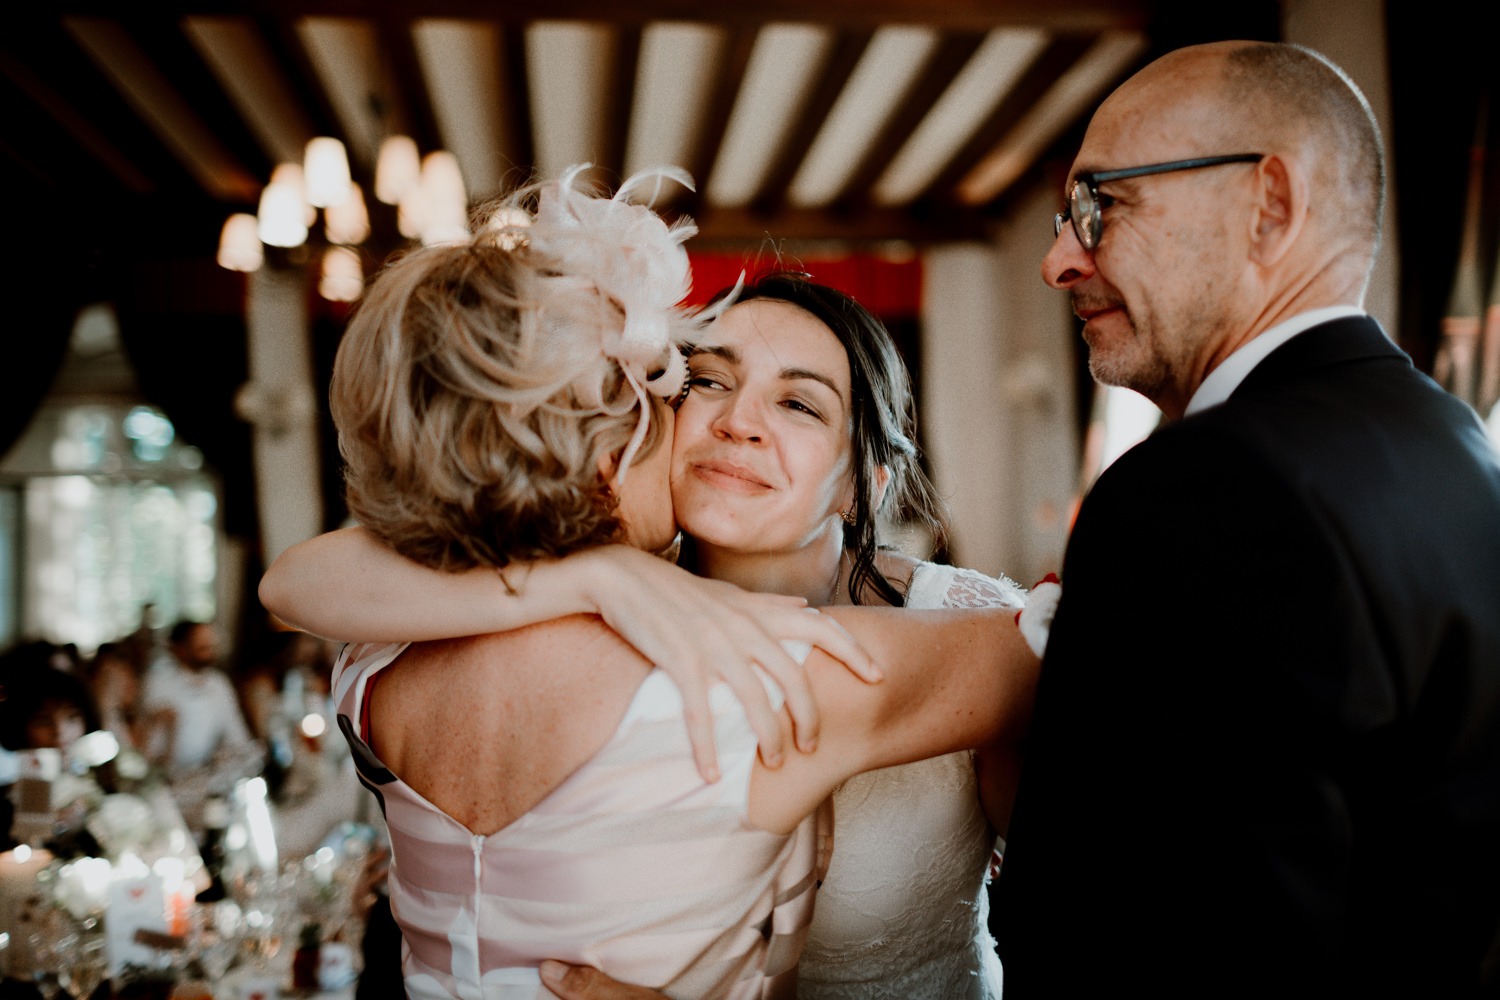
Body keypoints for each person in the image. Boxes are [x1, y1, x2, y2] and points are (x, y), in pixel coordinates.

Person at [299, 165, 1040, 998]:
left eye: (799, 405)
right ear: (608, 452)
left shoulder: (377, 653)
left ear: (861, 482)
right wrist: (602, 578)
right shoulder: (774, 681)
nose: (736, 422)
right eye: (704, 381)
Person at [985, 40, 1500, 997]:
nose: (1062, 259)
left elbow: (1123, 932)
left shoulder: (1203, 486)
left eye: (1102, 204)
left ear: (1270, 206)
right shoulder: (1456, 445)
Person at [138, 620, 262, 828]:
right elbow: (151, 748)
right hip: (170, 782)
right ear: (179, 649)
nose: (209, 651)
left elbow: (237, 734)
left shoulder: (219, 684)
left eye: (211, 645)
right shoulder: (158, 684)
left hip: (210, 777)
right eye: (201, 646)